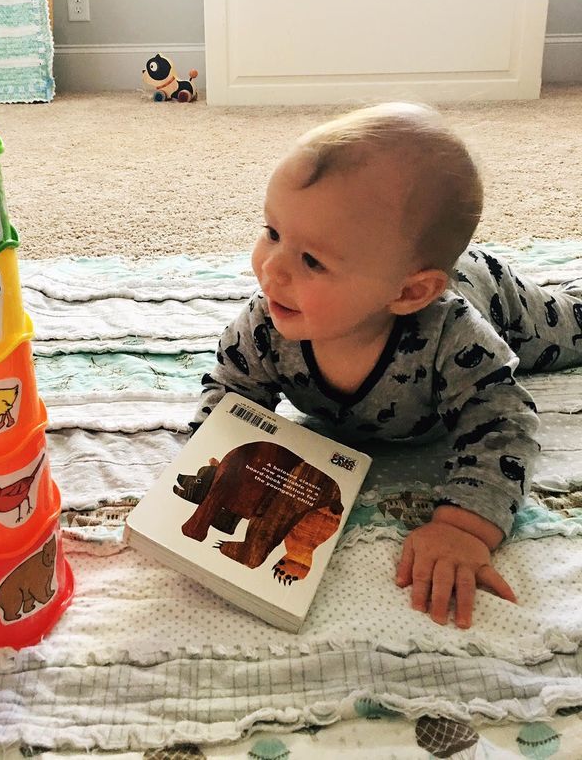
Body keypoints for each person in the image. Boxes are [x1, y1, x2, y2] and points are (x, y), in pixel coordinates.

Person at [190, 103, 582, 628]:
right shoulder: (266, 325)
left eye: (312, 261)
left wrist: (466, 527)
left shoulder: (454, 337)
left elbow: (505, 423)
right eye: (273, 232)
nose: (272, 270)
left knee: (571, 325)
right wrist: (214, 466)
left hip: (494, 294)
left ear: (408, 291)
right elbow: (229, 395)